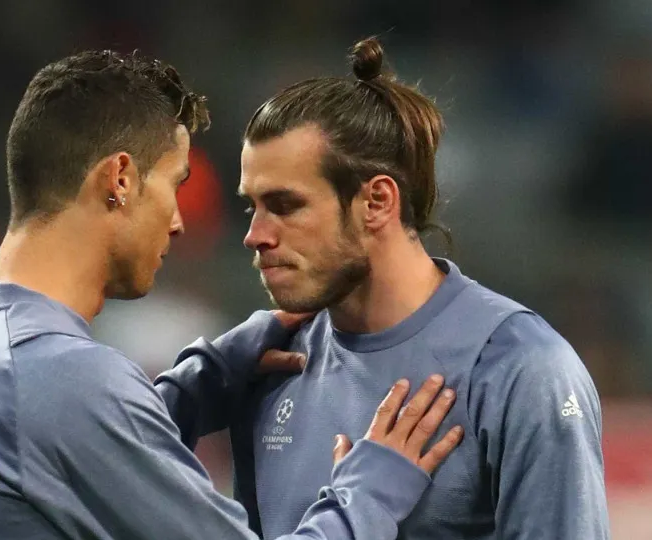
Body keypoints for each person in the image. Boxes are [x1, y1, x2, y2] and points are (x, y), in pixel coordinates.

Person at [0, 48, 464, 540]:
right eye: (175, 184)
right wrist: (372, 488)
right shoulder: (60, 378)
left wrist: (189, 390)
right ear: (120, 180)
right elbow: (55, 414)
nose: (177, 221)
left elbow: (42, 467)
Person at [156, 37, 611, 539]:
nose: (255, 235)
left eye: (284, 206)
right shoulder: (266, 368)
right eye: (253, 207)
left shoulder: (521, 370)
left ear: (376, 202)